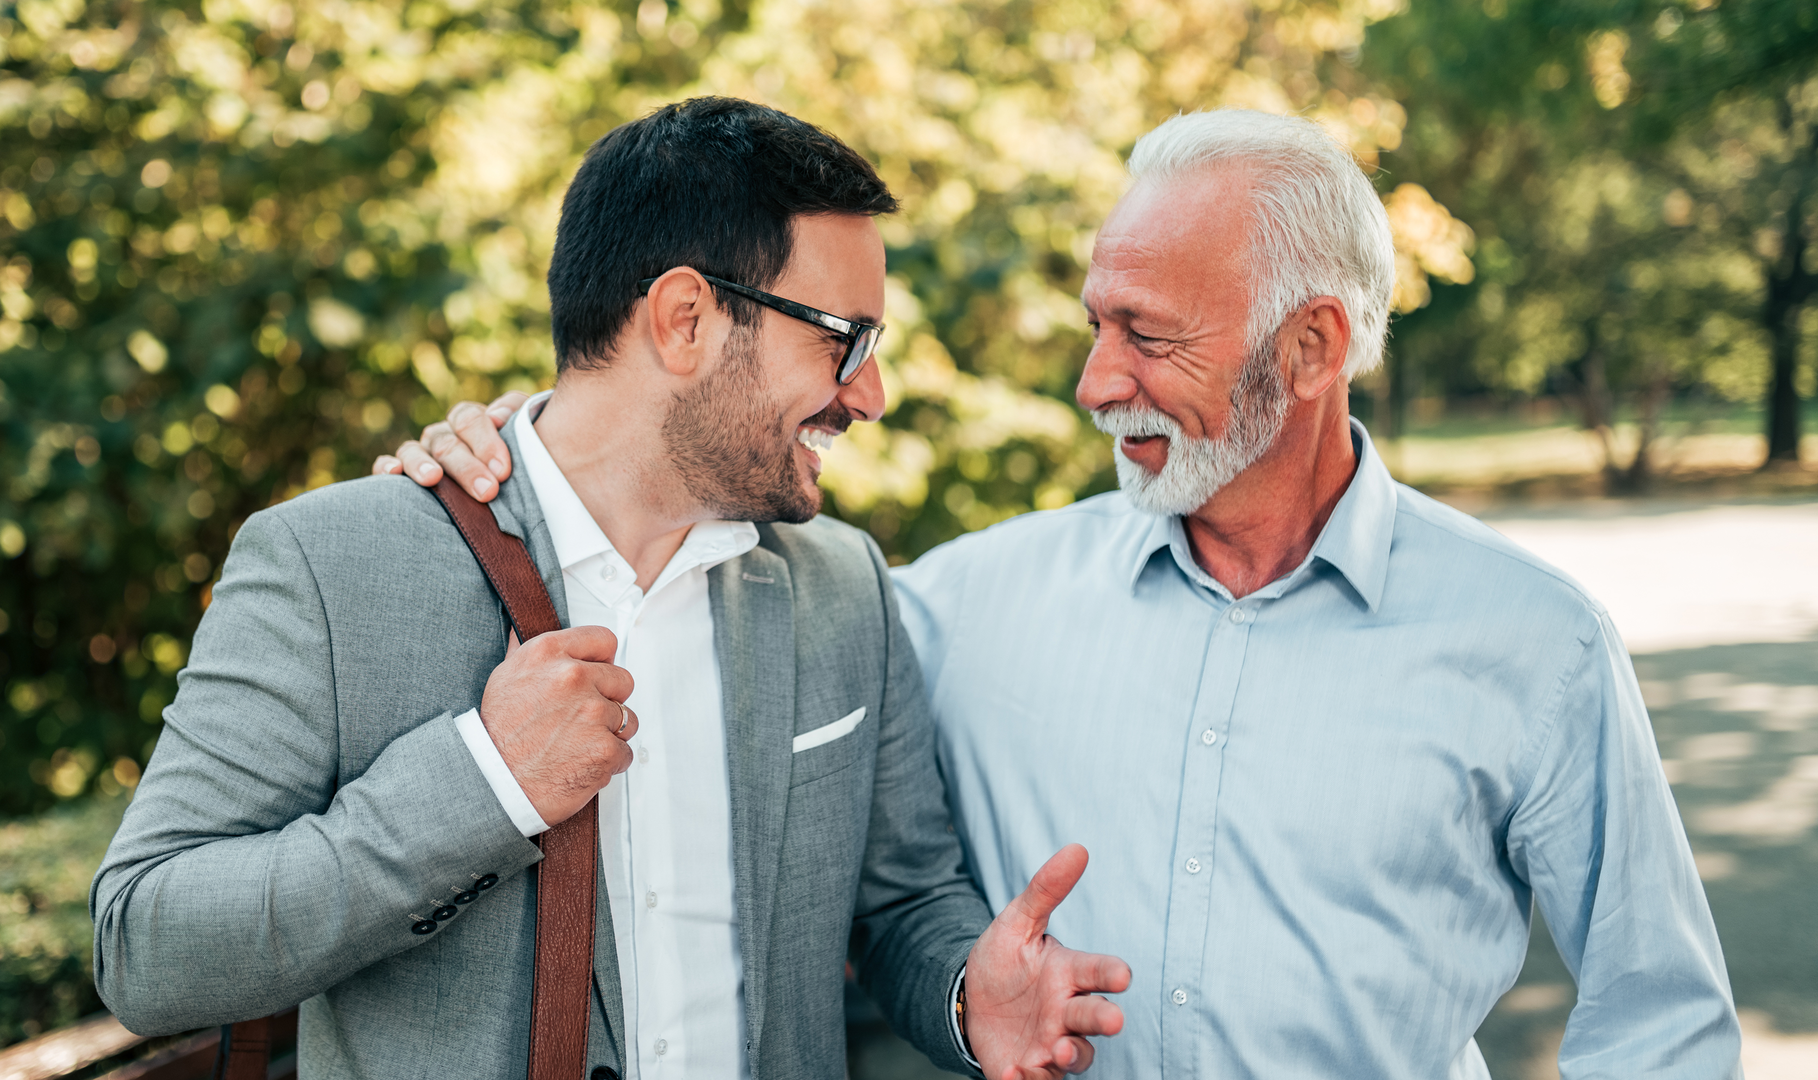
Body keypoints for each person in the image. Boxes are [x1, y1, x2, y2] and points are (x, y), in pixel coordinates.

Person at [393, 108, 1745, 1077]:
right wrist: (533, 446)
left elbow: (1660, 1018)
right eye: (1096, 324)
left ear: (1313, 344)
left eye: (1146, 336)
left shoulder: (1532, 644)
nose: (1096, 383)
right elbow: (670, 586)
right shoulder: (949, 605)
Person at [93, 98, 1132, 1080]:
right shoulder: (334, 567)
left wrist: (967, 997)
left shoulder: (841, 587)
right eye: (843, 339)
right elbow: (146, 947)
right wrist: (485, 784)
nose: (871, 393)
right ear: (684, 318)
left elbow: (903, 902)